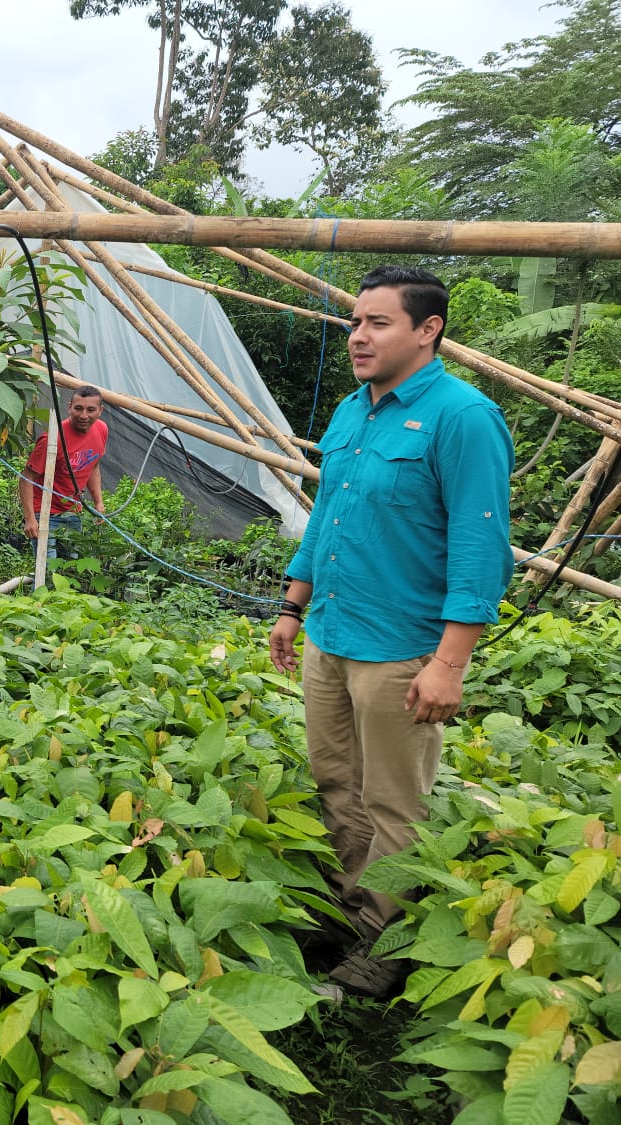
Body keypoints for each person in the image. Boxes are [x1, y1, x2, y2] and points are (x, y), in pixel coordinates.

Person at [269, 265, 513, 998]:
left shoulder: (463, 417)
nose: (358, 336)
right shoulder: (353, 411)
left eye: (378, 322)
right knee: (336, 782)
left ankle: (386, 939)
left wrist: (450, 662)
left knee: (394, 801)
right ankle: (350, 910)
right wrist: (292, 606)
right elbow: (326, 514)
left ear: (427, 330)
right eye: (355, 322)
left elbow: (479, 546)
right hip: (331, 633)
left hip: (401, 648)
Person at [18, 385, 108, 557]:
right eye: (78, 408)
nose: (84, 415)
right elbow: (26, 478)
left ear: (100, 410)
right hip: (45, 512)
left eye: (90, 410)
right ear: (69, 407)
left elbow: (93, 465)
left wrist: (98, 502)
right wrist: (30, 518)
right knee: (48, 567)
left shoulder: (101, 429)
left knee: (71, 565)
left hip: (72, 512)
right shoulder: (52, 439)